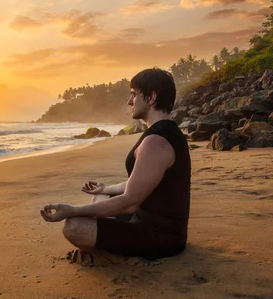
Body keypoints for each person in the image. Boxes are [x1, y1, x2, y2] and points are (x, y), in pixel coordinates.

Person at [40, 67, 191, 262]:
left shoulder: (157, 142)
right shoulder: (160, 133)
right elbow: (136, 184)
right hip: (142, 218)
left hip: (160, 236)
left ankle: (110, 254)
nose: (129, 101)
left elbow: (130, 202)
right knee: (101, 195)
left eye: (134, 94)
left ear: (152, 97)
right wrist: (106, 188)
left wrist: (72, 210)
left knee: (74, 226)